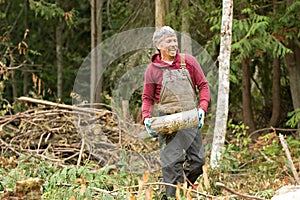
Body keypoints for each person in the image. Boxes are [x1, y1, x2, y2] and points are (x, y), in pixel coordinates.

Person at [141, 26, 210, 198]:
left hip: (190, 118)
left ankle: (183, 186)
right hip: (167, 121)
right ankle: (173, 195)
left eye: (174, 40)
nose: (173, 44)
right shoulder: (153, 70)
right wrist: (146, 118)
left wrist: (202, 108)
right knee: (171, 164)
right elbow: (147, 98)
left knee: (198, 161)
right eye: (168, 41)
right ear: (159, 45)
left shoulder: (189, 62)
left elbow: (203, 86)